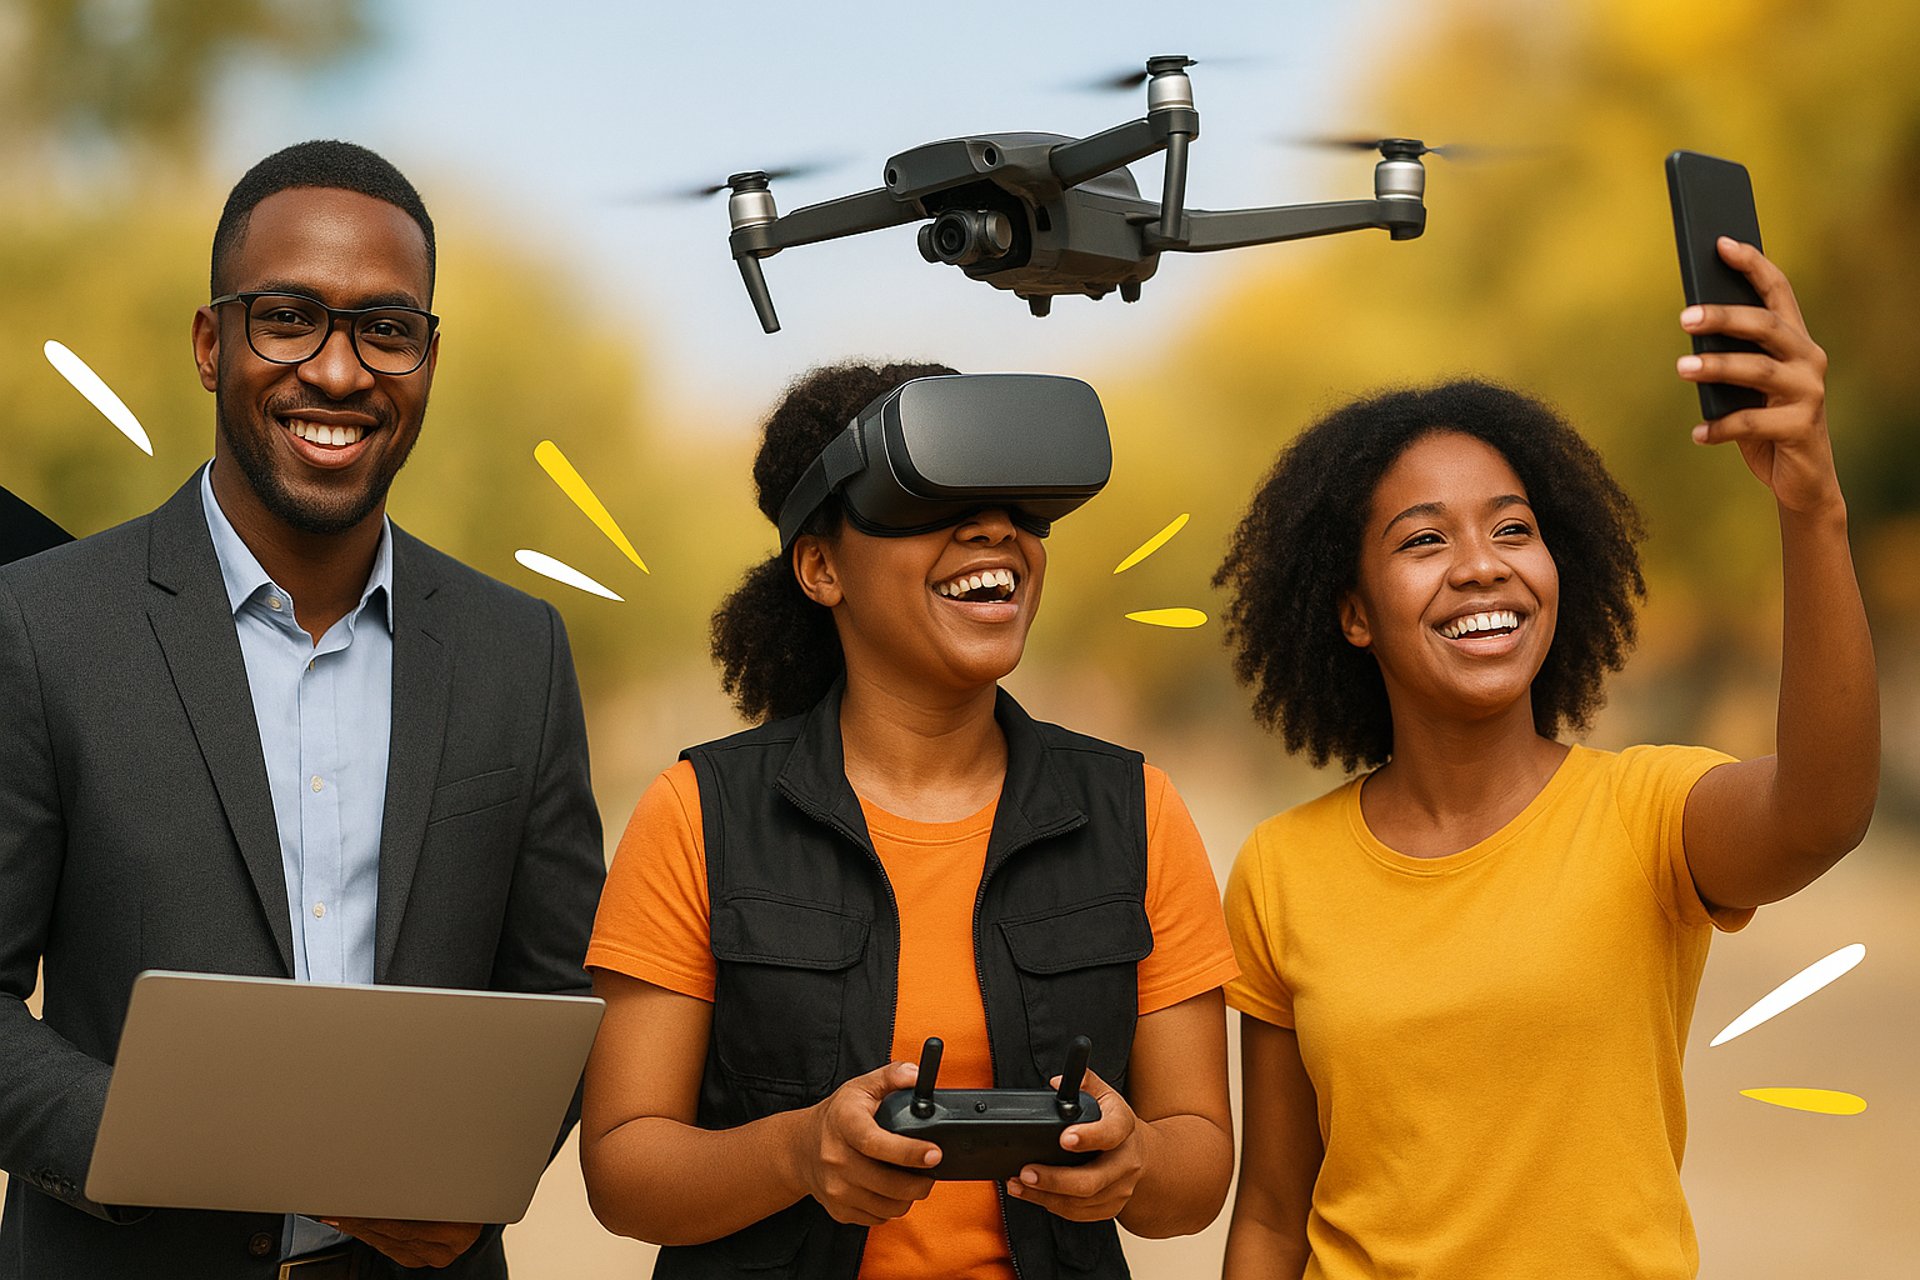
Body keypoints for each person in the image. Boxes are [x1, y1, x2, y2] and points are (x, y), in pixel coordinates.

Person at [0, 140, 606, 1280]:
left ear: (428, 356)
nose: (338, 372)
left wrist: (478, 1179)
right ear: (208, 341)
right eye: (289, 316)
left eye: (387, 327)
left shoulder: (517, 652)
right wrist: (146, 1143)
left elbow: (562, 993)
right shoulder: (40, 626)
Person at [1213, 240, 1877, 1278]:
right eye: (1424, 540)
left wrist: (1813, 504)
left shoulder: (1650, 813)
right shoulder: (1279, 870)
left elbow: (1823, 813)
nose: (1482, 564)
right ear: (1350, 611)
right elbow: (1270, 1212)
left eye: (1513, 528)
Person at [578, 362, 1239, 1279]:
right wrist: (798, 1153)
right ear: (820, 567)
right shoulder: (697, 814)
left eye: (1017, 504)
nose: (994, 527)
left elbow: (1199, 1168)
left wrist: (1136, 1163)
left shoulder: (1139, 811)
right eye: (927, 498)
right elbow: (621, 1169)